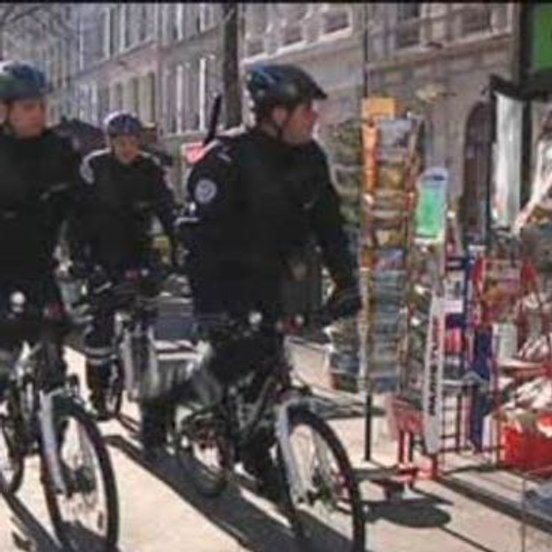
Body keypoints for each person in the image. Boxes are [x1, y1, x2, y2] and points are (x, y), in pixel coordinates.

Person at [141, 64, 361, 499]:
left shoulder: (309, 157)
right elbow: (197, 239)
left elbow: (329, 223)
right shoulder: (226, 159)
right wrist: (211, 309)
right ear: (276, 114)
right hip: (225, 283)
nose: (313, 118)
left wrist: (346, 281)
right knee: (234, 362)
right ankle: (164, 404)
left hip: (276, 280)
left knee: (270, 370)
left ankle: (257, 451)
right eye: (305, 110)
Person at [74, 111, 177, 419]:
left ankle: (146, 375)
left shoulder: (150, 169)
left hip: (139, 251)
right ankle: (98, 393)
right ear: (110, 142)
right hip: (101, 254)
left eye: (132, 142)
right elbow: (76, 217)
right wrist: (79, 259)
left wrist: (179, 249)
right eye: (120, 142)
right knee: (101, 329)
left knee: (145, 317)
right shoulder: (94, 167)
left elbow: (167, 212)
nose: (127, 148)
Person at [0, 61, 79, 395]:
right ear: (3, 111)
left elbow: (82, 209)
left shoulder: (59, 151)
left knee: (53, 349)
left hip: (39, 269)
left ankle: (55, 422)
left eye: (42, 106)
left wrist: (84, 257)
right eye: (29, 107)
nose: (39, 114)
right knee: (5, 351)